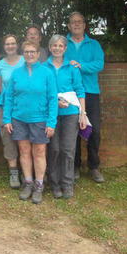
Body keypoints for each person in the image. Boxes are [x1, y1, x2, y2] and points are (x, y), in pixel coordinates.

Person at [3, 41, 57, 204]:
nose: (30, 54)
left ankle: (39, 185)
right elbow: (9, 97)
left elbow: (53, 98)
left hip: (40, 120)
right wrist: (7, 118)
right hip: (19, 119)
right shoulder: (16, 73)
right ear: (23, 54)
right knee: (24, 150)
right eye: (26, 52)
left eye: (33, 51)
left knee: (39, 152)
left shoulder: (47, 73)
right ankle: (28, 182)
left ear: (38, 54)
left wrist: (51, 122)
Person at [64, 12, 106, 183]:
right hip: (71, 93)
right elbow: (59, 63)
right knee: (72, 130)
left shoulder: (94, 44)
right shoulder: (63, 43)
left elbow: (99, 64)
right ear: (68, 26)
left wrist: (81, 66)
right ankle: (75, 166)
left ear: (84, 25)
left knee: (94, 130)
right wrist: (70, 66)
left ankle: (94, 166)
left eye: (79, 22)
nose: (76, 24)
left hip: (90, 92)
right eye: (73, 22)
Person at [44, 35, 87, 199]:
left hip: (70, 114)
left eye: (60, 46)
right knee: (54, 149)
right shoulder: (43, 67)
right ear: (49, 47)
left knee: (68, 150)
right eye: (54, 45)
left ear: (65, 48)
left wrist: (83, 113)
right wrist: (55, 100)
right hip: (51, 115)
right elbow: (42, 91)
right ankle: (54, 184)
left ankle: (67, 184)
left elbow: (80, 90)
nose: (57, 48)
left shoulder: (72, 67)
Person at [0, 34, 24, 188]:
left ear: (17, 45)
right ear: (4, 47)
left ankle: (27, 172)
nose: (10, 46)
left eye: (13, 43)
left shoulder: (25, 60)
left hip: (24, 106)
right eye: (7, 44)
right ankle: (14, 173)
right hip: (6, 106)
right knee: (8, 140)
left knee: (25, 140)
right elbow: (1, 88)